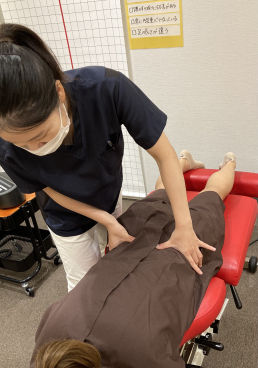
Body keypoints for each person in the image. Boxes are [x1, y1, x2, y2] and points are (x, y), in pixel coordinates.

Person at [0, 23, 215, 292]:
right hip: (64, 214)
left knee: (120, 262)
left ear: (59, 92)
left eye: (41, 135)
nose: (34, 148)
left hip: (108, 193)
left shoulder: (107, 89)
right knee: (84, 288)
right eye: (21, 145)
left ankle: (188, 161)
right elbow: (48, 190)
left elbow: (163, 155)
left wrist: (184, 226)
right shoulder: (5, 146)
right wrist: (107, 221)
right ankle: (187, 161)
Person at [30, 151, 237, 368]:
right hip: (135, 245)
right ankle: (185, 161)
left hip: (162, 253)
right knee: (163, 194)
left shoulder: (142, 357)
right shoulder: (47, 341)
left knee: (209, 194)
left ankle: (228, 162)